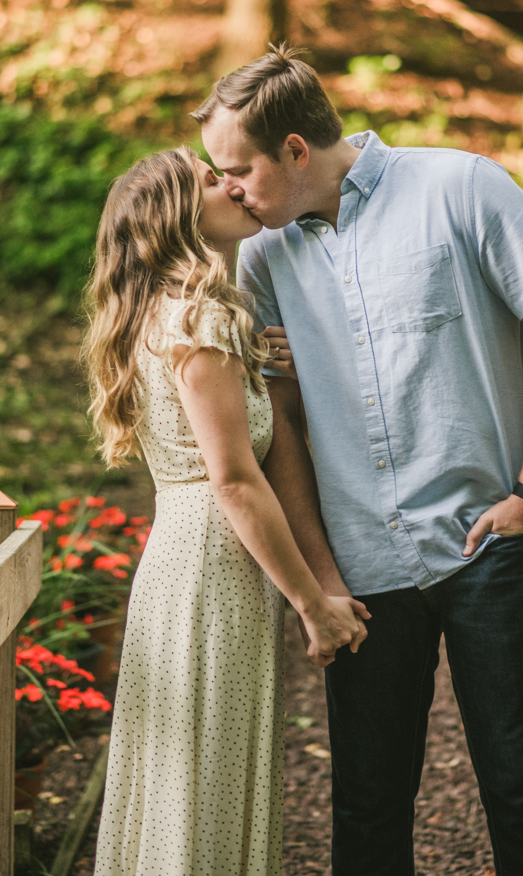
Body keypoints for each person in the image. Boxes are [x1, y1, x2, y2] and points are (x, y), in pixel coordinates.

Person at [194, 45, 523, 876]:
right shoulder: (264, 257)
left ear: (295, 150)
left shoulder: (463, 188)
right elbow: (279, 422)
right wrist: (321, 576)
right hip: (364, 567)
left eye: (237, 170)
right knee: (368, 803)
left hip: (492, 543)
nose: (229, 190)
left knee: (522, 790)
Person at [85, 148, 368, 876]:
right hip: (212, 571)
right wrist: (315, 604)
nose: (233, 185)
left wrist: (251, 354)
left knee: (187, 778)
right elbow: (236, 482)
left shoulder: (169, 317)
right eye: (212, 181)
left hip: (178, 563)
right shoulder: (201, 320)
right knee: (204, 773)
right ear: (178, 218)